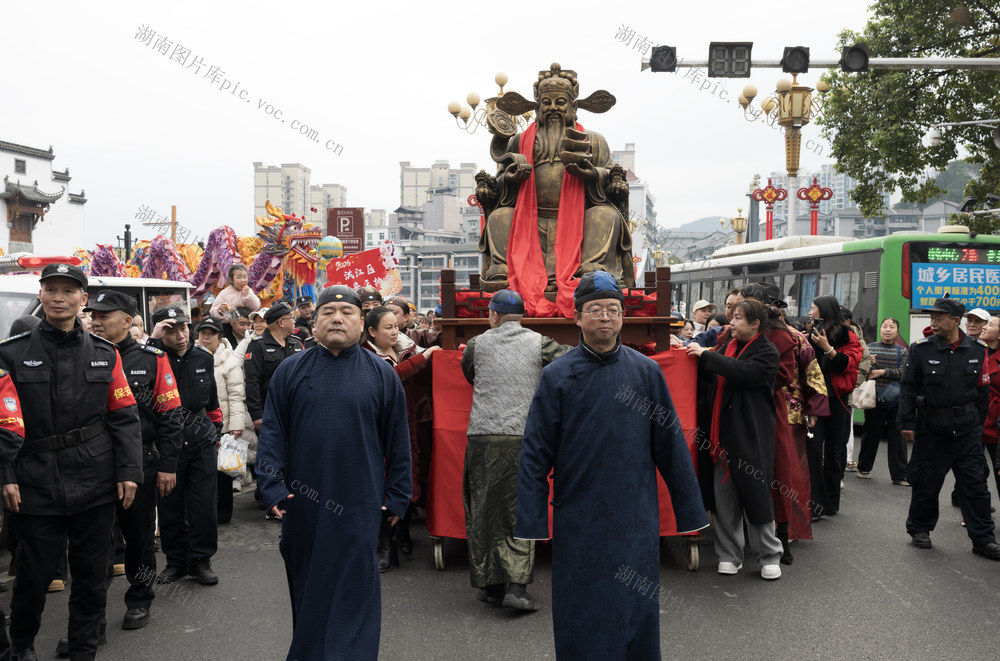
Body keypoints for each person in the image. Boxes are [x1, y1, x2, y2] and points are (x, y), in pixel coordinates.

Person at [515, 271, 707, 660]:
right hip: (578, 516)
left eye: (613, 310)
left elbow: (669, 444)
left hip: (634, 516)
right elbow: (535, 452)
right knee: (582, 606)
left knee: (634, 607)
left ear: (623, 317)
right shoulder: (557, 377)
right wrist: (531, 520)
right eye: (595, 310)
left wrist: (691, 510)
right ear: (578, 317)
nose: (605, 317)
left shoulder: (645, 372)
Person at [256, 285, 411, 660]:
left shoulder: (382, 375)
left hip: (360, 504)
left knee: (355, 592)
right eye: (328, 312)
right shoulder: (290, 371)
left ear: (363, 322)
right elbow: (272, 435)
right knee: (310, 589)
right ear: (314, 321)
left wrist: (397, 497)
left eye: (347, 312)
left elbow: (399, 443)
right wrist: (271, 487)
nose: (337, 318)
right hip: (303, 506)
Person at [0, 264, 142, 661]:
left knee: (92, 577)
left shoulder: (105, 355)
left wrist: (129, 472)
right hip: (34, 481)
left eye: (68, 290)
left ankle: (83, 649)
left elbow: (124, 417)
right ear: (41, 294)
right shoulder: (11, 353)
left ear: (83, 299)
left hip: (94, 479)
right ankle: (22, 646)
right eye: (51, 289)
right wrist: (5, 473)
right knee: (32, 576)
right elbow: (2, 422)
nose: (58, 297)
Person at [83, 290, 183, 639]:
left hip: (140, 463)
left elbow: (171, 415)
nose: (95, 321)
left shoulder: (152, 359)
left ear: (126, 321)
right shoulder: (81, 355)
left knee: (138, 539)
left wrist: (168, 464)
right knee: (93, 543)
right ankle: (89, 618)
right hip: (91, 464)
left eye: (104, 315)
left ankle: (139, 597)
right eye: (92, 315)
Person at [461, 290, 567, 610]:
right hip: (523, 436)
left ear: (492, 316)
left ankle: (491, 586)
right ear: (523, 317)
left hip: (482, 436)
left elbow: (470, 374)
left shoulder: (478, 344)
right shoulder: (539, 342)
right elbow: (568, 362)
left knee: (483, 510)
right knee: (521, 510)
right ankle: (517, 588)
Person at [687, 297, 782, 579]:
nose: (732, 321)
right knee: (723, 499)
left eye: (739, 318)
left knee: (756, 497)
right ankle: (729, 554)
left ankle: (768, 555)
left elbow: (744, 373)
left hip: (750, 436)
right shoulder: (725, 346)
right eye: (733, 316)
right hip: (720, 440)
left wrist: (706, 356)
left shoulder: (767, 352)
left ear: (756, 325)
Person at [901, 297, 1000, 559]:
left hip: (967, 431)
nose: (933, 321)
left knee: (976, 485)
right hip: (932, 429)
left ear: (956, 321)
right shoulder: (920, 349)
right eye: (931, 317)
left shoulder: (977, 350)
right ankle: (920, 529)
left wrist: (976, 427)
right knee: (927, 483)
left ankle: (983, 539)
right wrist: (907, 423)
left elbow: (982, 391)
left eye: (939, 317)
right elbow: (908, 389)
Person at [147, 305, 224, 586]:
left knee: (204, 504)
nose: (180, 335)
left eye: (184, 328)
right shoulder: (152, 358)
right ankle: (176, 561)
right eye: (171, 329)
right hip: (167, 441)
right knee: (170, 505)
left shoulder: (203, 357)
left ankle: (201, 560)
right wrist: (153, 341)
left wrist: (216, 432)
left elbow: (212, 400)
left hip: (201, 435)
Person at [361, 306, 439, 570]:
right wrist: (423, 358)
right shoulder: (366, 355)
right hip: (379, 429)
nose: (395, 332)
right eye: (388, 327)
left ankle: (403, 532)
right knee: (382, 482)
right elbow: (389, 379)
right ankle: (385, 544)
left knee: (408, 478)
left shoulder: (409, 348)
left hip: (410, 424)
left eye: (396, 326)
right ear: (371, 331)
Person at [243, 303, 303, 515]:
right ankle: (268, 495)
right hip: (269, 411)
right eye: (291, 318)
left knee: (292, 453)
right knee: (269, 454)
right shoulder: (258, 345)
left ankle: (289, 494)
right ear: (281, 322)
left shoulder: (296, 344)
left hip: (294, 412)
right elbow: (251, 383)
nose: (294, 322)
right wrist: (257, 415)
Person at [806, 296, 863, 518]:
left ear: (824, 311)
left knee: (834, 452)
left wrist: (827, 347)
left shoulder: (847, 334)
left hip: (837, 399)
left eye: (813, 309)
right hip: (814, 400)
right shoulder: (809, 332)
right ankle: (814, 504)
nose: (810, 313)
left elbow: (847, 364)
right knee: (812, 449)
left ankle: (830, 503)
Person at [195, 317, 247, 521]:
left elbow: (236, 395)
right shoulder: (193, 356)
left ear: (219, 336)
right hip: (198, 423)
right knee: (202, 470)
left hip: (223, 424)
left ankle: (223, 512)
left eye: (211, 334)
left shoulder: (230, 360)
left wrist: (236, 425)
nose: (206, 338)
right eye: (202, 334)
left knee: (223, 471)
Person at [858, 317, 909, 484]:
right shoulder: (870, 348)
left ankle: (899, 475)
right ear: (880, 330)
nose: (888, 329)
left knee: (898, 438)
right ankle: (864, 468)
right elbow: (862, 371)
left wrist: (881, 372)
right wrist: (870, 364)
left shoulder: (902, 351)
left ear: (897, 331)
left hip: (896, 400)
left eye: (892, 327)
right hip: (873, 398)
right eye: (885, 326)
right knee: (870, 434)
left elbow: (903, 372)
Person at [979, 316, 1000, 496]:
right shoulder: (976, 350)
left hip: (996, 426)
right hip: (975, 423)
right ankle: (973, 514)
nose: (984, 327)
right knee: (974, 474)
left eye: (990, 325)